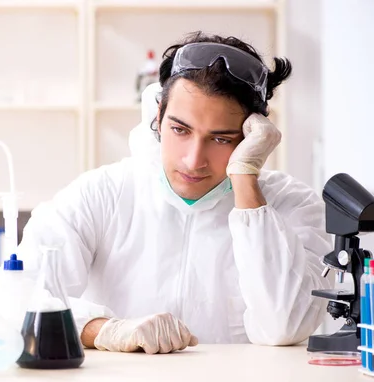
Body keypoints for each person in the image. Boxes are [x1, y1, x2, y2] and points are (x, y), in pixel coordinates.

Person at [17, 32, 332, 354]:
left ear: (254, 135)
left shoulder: (291, 204)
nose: (193, 160)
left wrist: (246, 182)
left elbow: (285, 326)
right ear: (158, 116)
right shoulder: (103, 193)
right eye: (180, 130)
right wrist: (103, 330)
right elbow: (15, 291)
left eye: (221, 139)